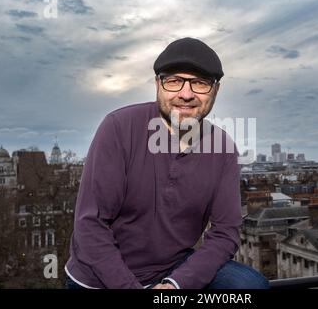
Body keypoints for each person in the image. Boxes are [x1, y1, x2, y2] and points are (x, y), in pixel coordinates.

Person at [64, 37, 269, 289]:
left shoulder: (223, 148)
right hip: (99, 278)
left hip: (172, 269)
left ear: (216, 90)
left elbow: (225, 233)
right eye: (173, 81)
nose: (186, 94)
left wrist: (175, 285)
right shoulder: (118, 127)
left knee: (250, 286)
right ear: (157, 85)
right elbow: (90, 224)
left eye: (199, 83)